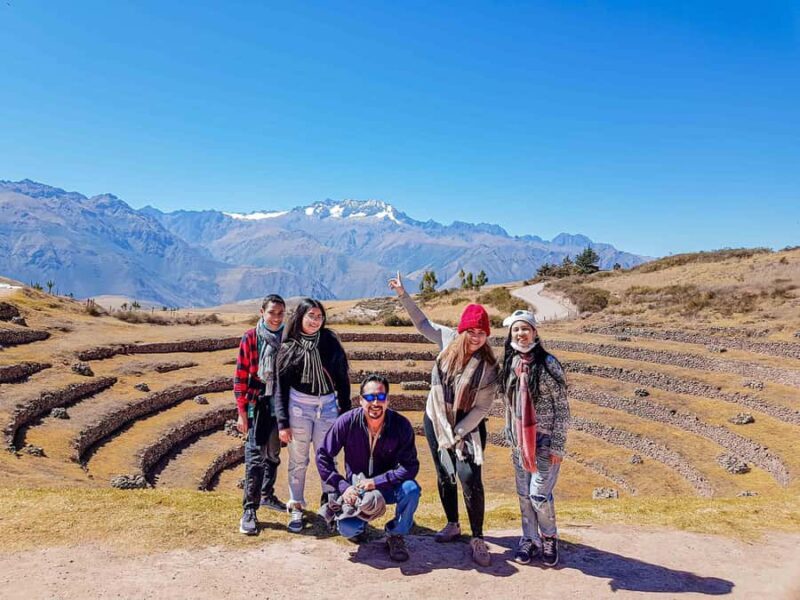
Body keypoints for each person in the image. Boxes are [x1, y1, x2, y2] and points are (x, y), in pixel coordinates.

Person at [389, 271, 499, 567]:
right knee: (444, 473)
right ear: (462, 330)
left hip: (469, 427)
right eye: (472, 331)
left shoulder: (489, 366)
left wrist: (458, 433)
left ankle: (477, 537)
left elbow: (482, 408)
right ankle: (453, 523)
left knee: (469, 477)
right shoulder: (447, 340)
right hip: (436, 419)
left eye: (482, 332)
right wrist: (403, 295)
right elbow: (422, 323)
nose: (476, 337)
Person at [316, 374, 421, 562]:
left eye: (380, 397)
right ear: (361, 400)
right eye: (370, 398)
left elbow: (410, 467)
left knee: (411, 490)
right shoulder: (347, 422)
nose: (375, 403)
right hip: (357, 490)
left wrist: (376, 482)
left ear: (387, 400)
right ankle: (360, 525)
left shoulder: (401, 425)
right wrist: (343, 486)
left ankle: (396, 534)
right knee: (347, 529)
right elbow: (323, 455)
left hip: (388, 486)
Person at [499, 309, 570, 567]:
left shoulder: (548, 364)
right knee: (523, 495)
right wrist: (510, 434)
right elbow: (508, 404)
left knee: (538, 495)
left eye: (525, 329)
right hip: (520, 442)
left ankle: (549, 537)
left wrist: (559, 445)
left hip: (545, 440)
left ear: (535, 332)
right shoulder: (510, 363)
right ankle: (529, 539)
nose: (521, 333)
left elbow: (562, 407)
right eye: (516, 329)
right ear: (510, 334)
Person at [274, 297, 351, 533]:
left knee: (326, 457)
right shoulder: (289, 347)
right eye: (311, 316)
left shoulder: (330, 342)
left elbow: (342, 380)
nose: (316, 320)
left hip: (328, 407)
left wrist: (345, 413)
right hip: (298, 407)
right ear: (300, 317)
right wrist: (282, 423)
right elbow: (281, 388)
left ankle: (330, 504)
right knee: (298, 459)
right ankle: (296, 504)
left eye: (319, 316)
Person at [234, 294, 288, 535]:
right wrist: (242, 413)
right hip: (258, 403)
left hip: (281, 403)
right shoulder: (250, 337)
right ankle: (249, 509)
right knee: (255, 456)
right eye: (272, 313)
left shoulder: (289, 338)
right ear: (262, 312)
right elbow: (240, 377)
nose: (276, 318)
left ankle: (267, 494)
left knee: (273, 453)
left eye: (280, 313)